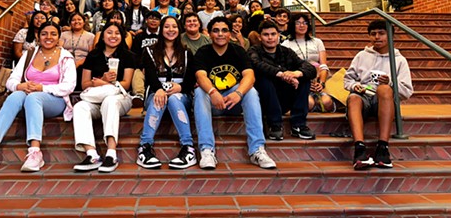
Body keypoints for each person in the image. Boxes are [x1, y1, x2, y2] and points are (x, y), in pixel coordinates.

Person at [0, 22, 76, 172]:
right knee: (15, 96)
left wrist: (42, 88)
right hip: (26, 99)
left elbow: (69, 86)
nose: (48, 37)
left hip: (54, 101)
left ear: (59, 37)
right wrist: (20, 86)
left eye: (53, 34)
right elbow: (11, 80)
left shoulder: (66, 57)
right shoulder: (29, 54)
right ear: (37, 36)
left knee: (34, 98)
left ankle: (35, 152)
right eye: (44, 34)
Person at [194, 17, 276, 170]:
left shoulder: (238, 51)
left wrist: (238, 93)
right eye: (216, 30)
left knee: (250, 91)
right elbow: (200, 76)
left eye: (224, 30)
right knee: (200, 91)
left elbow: (250, 76)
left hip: (233, 102)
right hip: (212, 104)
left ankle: (257, 150)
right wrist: (212, 91)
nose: (220, 34)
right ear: (210, 34)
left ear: (230, 33)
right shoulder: (203, 52)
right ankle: (206, 149)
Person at [344, 19, 413, 170]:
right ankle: (359, 149)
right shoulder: (362, 56)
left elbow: (407, 91)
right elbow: (348, 80)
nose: (377, 37)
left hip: (385, 101)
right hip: (364, 98)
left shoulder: (399, 60)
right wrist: (356, 86)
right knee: (353, 97)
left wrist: (391, 83)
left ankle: (382, 147)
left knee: (384, 89)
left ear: (390, 36)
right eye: (373, 34)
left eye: (381, 33)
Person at [72, 23, 135, 173]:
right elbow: (85, 83)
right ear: (102, 35)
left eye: (117, 33)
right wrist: (103, 80)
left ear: (122, 36)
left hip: (120, 98)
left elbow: (126, 84)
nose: (113, 36)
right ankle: (91, 154)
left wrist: (107, 82)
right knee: (80, 106)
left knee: (110, 100)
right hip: (95, 99)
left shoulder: (128, 56)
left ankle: (111, 154)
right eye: (109, 32)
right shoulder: (93, 55)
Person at [136, 16, 197, 169]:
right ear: (161, 30)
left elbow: (190, 79)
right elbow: (149, 76)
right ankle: (145, 148)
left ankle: (188, 148)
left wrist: (180, 88)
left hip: (181, 96)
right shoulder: (149, 51)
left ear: (179, 29)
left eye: (174, 27)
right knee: (160, 98)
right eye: (167, 27)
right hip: (156, 94)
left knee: (174, 99)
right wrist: (159, 89)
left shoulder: (186, 53)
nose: (171, 30)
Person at [248, 21, 317, 141]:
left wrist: (296, 74)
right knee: (264, 78)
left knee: (304, 78)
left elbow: (310, 68)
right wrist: (282, 74)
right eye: (266, 34)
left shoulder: (286, 52)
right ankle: (275, 125)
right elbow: (257, 65)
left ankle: (298, 125)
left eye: (273, 34)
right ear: (260, 37)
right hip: (264, 101)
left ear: (278, 36)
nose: (270, 38)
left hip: (284, 98)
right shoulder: (254, 50)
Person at [283, 13, 335, 112]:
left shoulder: (317, 42)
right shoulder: (286, 44)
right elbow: (287, 68)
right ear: (292, 25)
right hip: (299, 80)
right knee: (308, 103)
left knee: (327, 103)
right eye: (298, 23)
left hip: (318, 78)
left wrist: (321, 84)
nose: (302, 26)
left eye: (304, 23)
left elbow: (323, 65)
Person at [130, 11, 162, 104]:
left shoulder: (163, 35)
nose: (153, 21)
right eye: (151, 18)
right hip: (143, 67)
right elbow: (135, 54)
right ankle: (139, 95)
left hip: (160, 66)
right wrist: (142, 66)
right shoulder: (140, 36)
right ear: (146, 20)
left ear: (160, 22)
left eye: (156, 19)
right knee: (137, 73)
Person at [60, 12, 95, 89]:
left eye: (79, 19)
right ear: (70, 22)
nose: (76, 22)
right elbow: (59, 50)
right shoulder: (64, 35)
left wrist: (78, 63)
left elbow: (91, 54)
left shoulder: (90, 36)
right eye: (73, 20)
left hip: (83, 63)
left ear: (84, 22)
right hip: (66, 61)